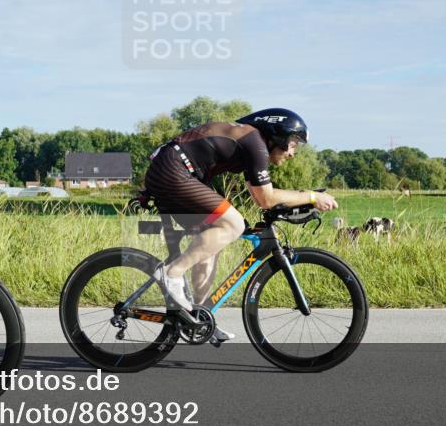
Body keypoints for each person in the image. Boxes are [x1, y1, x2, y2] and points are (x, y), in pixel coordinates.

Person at [143, 108, 338, 342]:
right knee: (232, 224)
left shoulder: (250, 143)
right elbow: (265, 199)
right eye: (293, 144)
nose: (293, 153)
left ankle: (197, 316)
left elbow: (262, 197)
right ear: (278, 136)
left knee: (212, 238)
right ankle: (170, 273)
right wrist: (312, 197)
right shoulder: (255, 144)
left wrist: (299, 201)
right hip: (174, 170)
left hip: (178, 170)